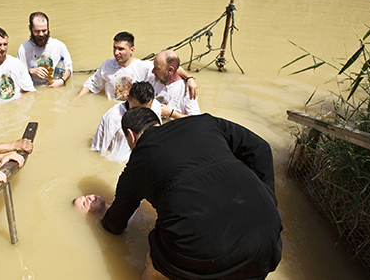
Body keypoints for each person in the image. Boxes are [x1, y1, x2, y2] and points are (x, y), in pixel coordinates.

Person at [75, 107, 283, 280]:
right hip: (267, 238)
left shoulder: (136, 165)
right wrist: (268, 199)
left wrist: (98, 219)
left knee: (152, 261)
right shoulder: (204, 122)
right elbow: (262, 149)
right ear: (158, 122)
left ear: (130, 135)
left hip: (202, 255)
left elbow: (115, 225)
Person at [76, 32, 198, 101]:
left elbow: (172, 69)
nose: (116, 52)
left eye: (121, 49)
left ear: (132, 50)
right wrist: (77, 99)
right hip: (110, 110)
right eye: (114, 48)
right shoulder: (107, 65)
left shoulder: (142, 66)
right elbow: (91, 84)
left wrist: (190, 78)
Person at [91, 81, 161, 163]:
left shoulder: (156, 107)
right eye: (136, 110)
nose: (141, 114)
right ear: (128, 98)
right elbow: (98, 151)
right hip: (120, 165)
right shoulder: (113, 117)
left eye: (146, 110)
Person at [17, 12, 72, 88]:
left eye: (44, 30)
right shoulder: (23, 48)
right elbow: (18, 75)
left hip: (56, 87)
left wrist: (62, 81)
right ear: (30, 28)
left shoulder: (59, 46)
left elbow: (68, 69)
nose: (41, 34)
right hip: (34, 88)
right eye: (37, 31)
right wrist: (31, 71)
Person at [152, 49, 201, 119]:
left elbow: (197, 120)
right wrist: (189, 77)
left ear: (170, 70)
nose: (152, 71)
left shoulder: (186, 90)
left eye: (157, 68)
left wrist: (172, 114)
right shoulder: (154, 79)